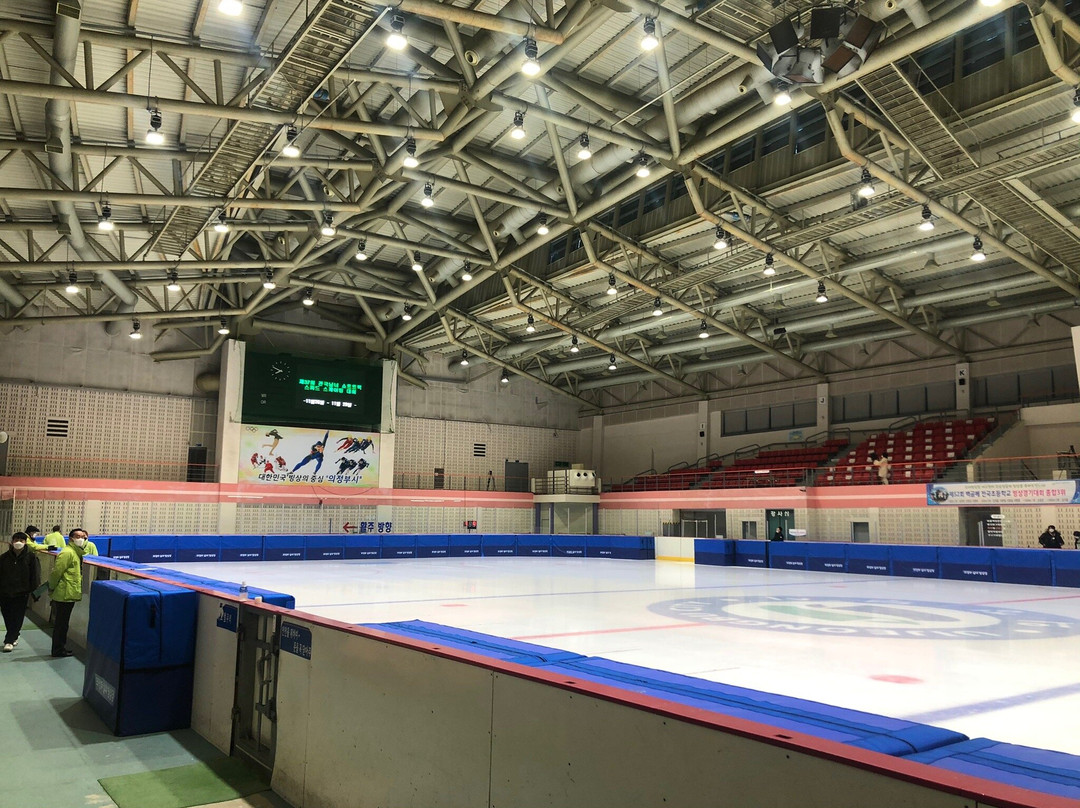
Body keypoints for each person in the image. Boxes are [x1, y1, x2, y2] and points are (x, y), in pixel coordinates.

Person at [46, 528, 98, 658]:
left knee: (63, 623)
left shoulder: (76, 552)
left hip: (68, 593)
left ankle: (60, 648)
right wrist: (51, 587)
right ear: (71, 538)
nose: (81, 539)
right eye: (78, 536)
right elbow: (56, 572)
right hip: (64, 593)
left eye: (83, 537)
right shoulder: (68, 553)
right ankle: (58, 649)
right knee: (61, 624)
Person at [1, 532, 41, 653]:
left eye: (21, 540)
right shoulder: (3, 558)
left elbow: (35, 575)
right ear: (12, 541)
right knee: (7, 615)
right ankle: (14, 634)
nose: (18, 542)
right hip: (5, 592)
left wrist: (35, 591)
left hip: (22, 592)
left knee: (17, 616)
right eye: (16, 539)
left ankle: (9, 640)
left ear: (25, 542)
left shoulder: (31, 557)